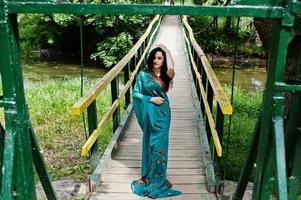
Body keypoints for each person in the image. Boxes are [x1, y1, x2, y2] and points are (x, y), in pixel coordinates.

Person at [130, 44, 182, 198]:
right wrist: (150, 98)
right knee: (152, 144)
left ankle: (158, 177)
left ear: (163, 60)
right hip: (150, 113)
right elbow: (135, 93)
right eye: (154, 57)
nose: (156, 60)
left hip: (164, 114)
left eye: (159, 58)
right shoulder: (143, 75)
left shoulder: (166, 75)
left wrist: (166, 49)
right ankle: (150, 175)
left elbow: (172, 67)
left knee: (160, 145)